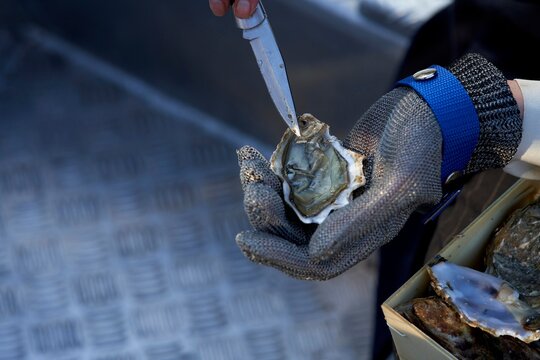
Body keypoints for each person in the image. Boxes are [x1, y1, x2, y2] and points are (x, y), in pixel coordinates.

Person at [210, 0, 540, 358]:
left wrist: (488, 107)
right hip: (474, 51)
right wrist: (462, 105)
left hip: (507, 126)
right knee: (406, 278)